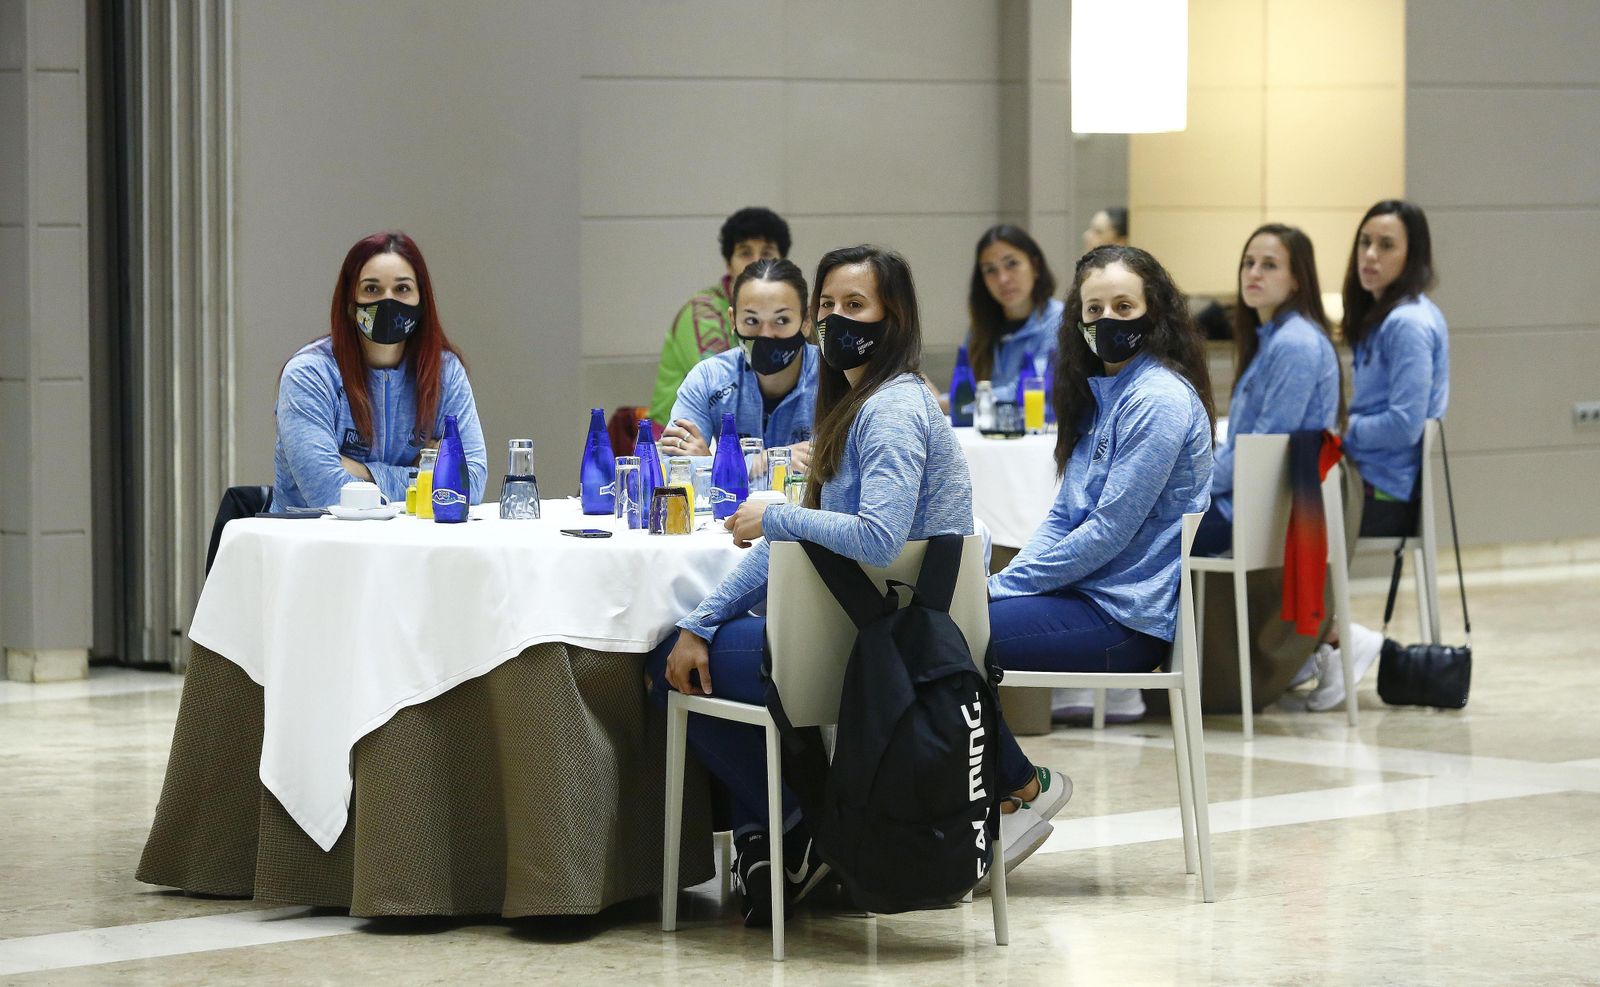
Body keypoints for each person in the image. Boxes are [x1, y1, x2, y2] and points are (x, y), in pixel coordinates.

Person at [648, 245, 1041, 926]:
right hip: (880, 642)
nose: (834, 320)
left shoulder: (887, 411)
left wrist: (778, 514)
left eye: (853, 306)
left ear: (895, 318)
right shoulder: (862, 404)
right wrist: (704, 619)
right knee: (698, 642)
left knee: (666, 667)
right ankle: (786, 833)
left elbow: (876, 537)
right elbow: (795, 546)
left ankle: (801, 823)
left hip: (871, 651)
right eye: (827, 307)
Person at [989, 245, 1214, 753]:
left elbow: (1106, 533)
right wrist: (1009, 584)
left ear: (1153, 313)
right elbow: (1063, 516)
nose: (1106, 320)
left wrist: (1003, 587)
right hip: (1086, 600)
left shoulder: (1158, 398)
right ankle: (1000, 786)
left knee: (943, 635)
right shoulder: (1104, 394)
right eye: (1094, 310)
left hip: (1126, 620)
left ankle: (1009, 786)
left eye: (1123, 307)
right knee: (937, 632)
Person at [1299, 199, 1449, 711]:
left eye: (1386, 245)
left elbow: (1405, 424)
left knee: (1282, 510)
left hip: (1385, 487)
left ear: (1413, 256)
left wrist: (1336, 428)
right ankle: (1311, 639)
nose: (1370, 255)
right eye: (1365, 242)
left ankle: (1330, 639)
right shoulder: (1383, 318)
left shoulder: (1408, 324)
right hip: (1364, 473)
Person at [273, 232, 486, 511]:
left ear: (421, 302)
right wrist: (425, 475)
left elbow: (470, 485)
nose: (388, 302)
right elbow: (327, 492)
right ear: (351, 305)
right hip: (317, 547)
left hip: (411, 548)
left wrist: (363, 471)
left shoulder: (444, 372)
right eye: (372, 289)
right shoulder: (310, 374)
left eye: (402, 289)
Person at [1191, 223, 1341, 557]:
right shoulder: (1272, 338)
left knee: (1138, 533)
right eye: (1248, 263)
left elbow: (1260, 453)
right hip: (1247, 500)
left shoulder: (1295, 343)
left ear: (1297, 279)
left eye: (1269, 265)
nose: (1253, 273)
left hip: (1260, 513)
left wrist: (1191, 483)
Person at [660, 258, 818, 471]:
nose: (766, 334)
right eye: (752, 321)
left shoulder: (833, 376)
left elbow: (840, 474)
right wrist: (764, 462)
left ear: (806, 321)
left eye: (781, 320)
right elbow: (672, 470)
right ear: (733, 321)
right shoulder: (708, 378)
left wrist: (715, 466)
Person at [647, 207, 792, 424]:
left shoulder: (789, 311)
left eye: (767, 253)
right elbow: (723, 392)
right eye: (745, 253)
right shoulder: (702, 313)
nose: (756, 262)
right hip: (677, 443)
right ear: (728, 264)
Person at [966, 224, 1062, 400]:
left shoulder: (1058, 320)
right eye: (990, 270)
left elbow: (1032, 388)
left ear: (1035, 266)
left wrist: (960, 401)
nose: (1003, 279)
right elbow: (966, 387)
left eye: (1012, 264)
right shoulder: (979, 329)